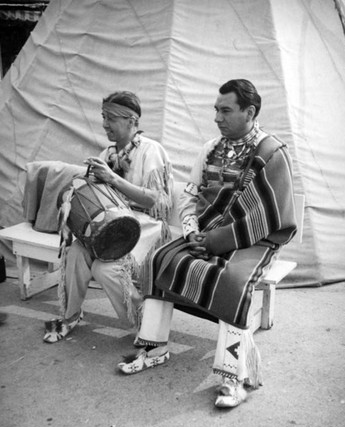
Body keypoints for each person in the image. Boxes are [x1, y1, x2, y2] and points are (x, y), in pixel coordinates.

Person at [117, 79, 297, 409]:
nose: (217, 117)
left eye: (225, 110)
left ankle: (234, 377)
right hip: (204, 232)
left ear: (250, 112)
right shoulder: (211, 147)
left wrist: (215, 240)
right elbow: (189, 194)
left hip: (253, 240)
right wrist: (190, 232)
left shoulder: (271, 153)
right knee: (160, 258)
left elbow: (274, 216)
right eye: (216, 109)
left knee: (231, 281)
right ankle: (155, 347)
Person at [43, 91, 173, 343]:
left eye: (111, 118)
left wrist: (112, 178)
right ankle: (70, 317)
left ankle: (144, 324)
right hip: (110, 225)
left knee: (106, 268)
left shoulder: (151, 150)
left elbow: (158, 202)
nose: (105, 124)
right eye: (104, 117)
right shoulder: (107, 154)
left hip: (145, 226)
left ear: (132, 121)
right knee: (75, 253)